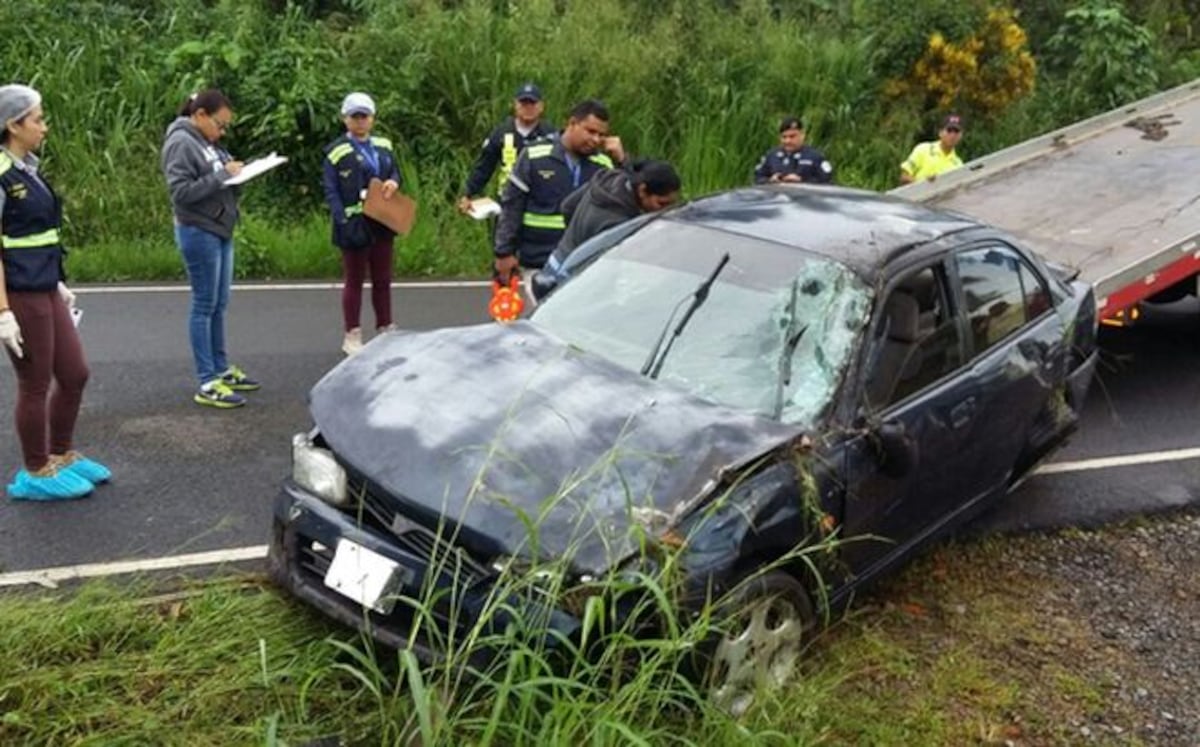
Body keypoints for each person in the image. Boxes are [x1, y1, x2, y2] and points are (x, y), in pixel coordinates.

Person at [0, 83, 110, 500]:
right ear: (13, 125)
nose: (44, 127)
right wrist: (3, 312)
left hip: (44, 284)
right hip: (20, 294)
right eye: (37, 119)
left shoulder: (27, 166)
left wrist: (58, 280)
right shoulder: (2, 174)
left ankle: (61, 454)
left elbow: (36, 234)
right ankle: (35, 470)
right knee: (34, 381)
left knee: (75, 373)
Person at [161, 88, 261, 409]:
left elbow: (219, 176)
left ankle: (221, 368)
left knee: (219, 303)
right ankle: (207, 380)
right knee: (204, 304)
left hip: (220, 227)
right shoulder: (180, 142)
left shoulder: (206, 142)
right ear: (200, 115)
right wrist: (221, 176)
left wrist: (237, 174)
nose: (222, 131)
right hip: (198, 230)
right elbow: (180, 192)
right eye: (219, 124)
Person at [493, 98, 625, 286]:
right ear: (572, 123)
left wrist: (622, 161)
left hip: (583, 262)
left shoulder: (604, 165)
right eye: (591, 131)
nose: (596, 139)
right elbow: (511, 205)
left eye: (601, 135)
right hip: (538, 262)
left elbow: (627, 202)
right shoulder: (534, 155)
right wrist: (504, 253)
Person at [322, 92, 403, 356]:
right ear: (345, 119)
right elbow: (331, 189)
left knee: (383, 278)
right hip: (354, 221)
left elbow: (394, 171)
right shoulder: (336, 151)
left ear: (372, 118)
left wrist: (394, 181)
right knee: (354, 279)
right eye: (354, 116)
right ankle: (352, 333)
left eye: (364, 116)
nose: (359, 122)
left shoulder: (383, 145)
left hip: (382, 217)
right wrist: (341, 219)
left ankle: (385, 326)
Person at [532, 159, 681, 300]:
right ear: (642, 190)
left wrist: (576, 235)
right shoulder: (617, 224)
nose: (666, 210)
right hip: (572, 281)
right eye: (662, 204)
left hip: (554, 262)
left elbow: (567, 206)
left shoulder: (606, 179)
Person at [457, 82, 556, 215]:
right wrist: (468, 193)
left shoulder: (550, 134)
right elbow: (484, 167)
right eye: (523, 103)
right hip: (507, 201)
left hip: (540, 202)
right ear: (515, 105)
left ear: (541, 107)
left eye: (532, 104)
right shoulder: (501, 132)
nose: (528, 108)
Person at [753, 116, 834, 185]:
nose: (787, 141)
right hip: (777, 200)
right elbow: (758, 178)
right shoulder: (771, 156)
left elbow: (826, 181)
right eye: (784, 137)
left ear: (802, 135)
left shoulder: (815, 157)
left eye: (792, 136)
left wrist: (801, 181)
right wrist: (771, 180)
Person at [900, 114, 964, 184]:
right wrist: (925, 183)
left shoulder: (958, 165)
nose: (952, 135)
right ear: (940, 133)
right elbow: (904, 177)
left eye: (956, 131)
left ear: (961, 136)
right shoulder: (923, 149)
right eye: (949, 130)